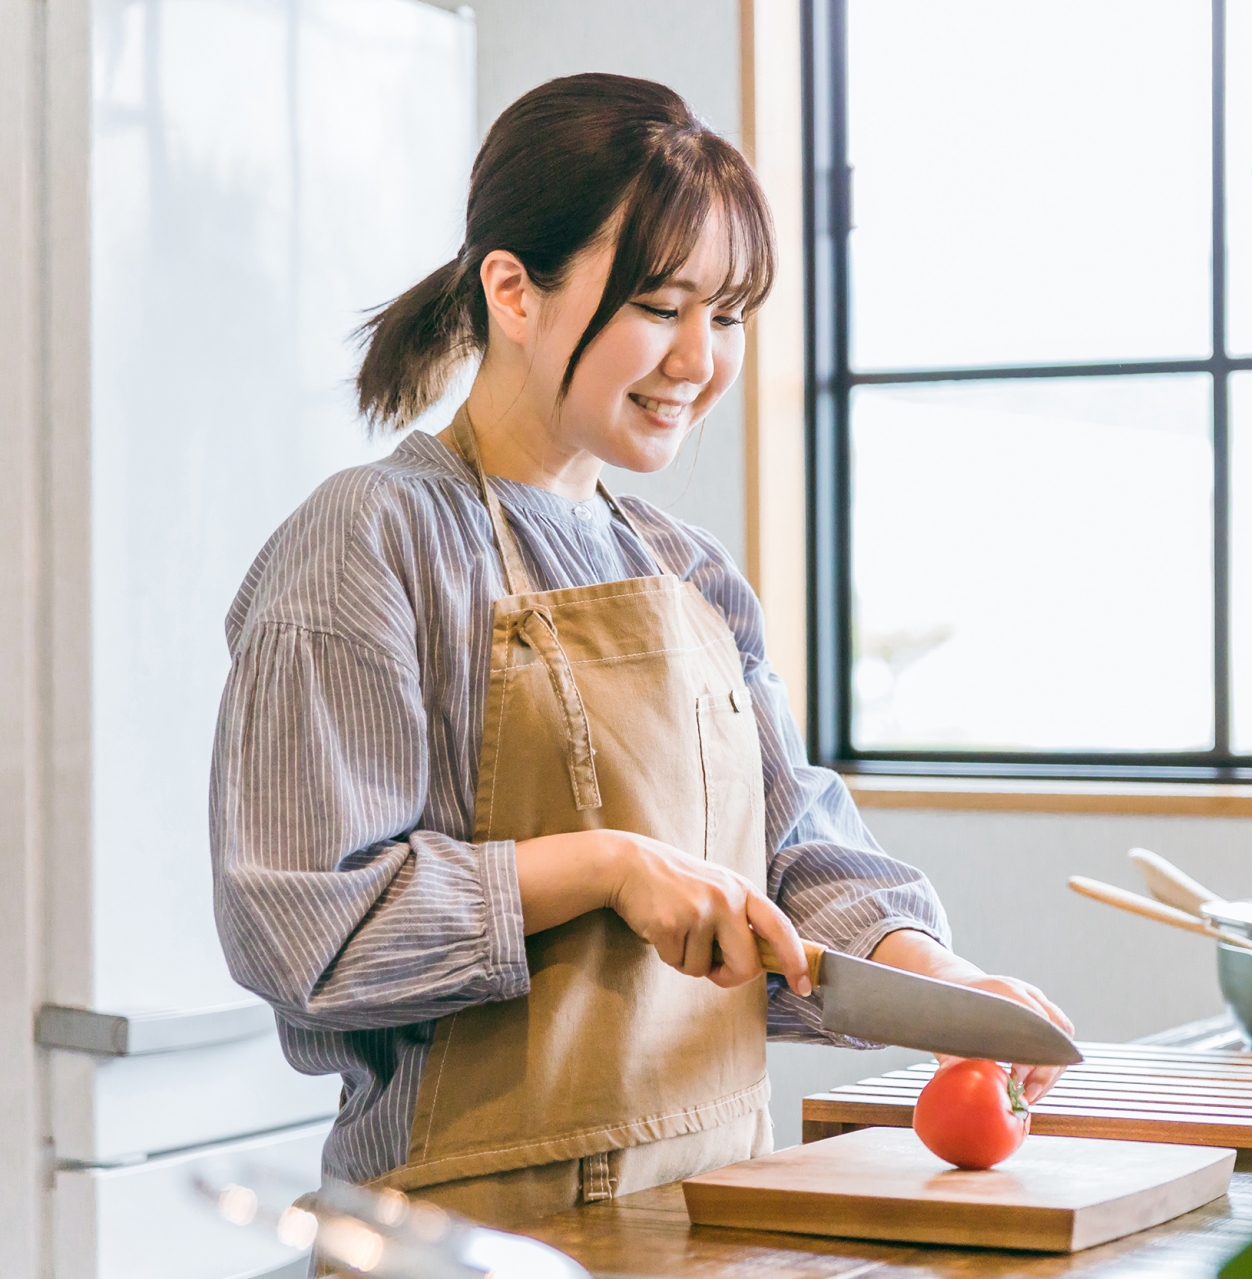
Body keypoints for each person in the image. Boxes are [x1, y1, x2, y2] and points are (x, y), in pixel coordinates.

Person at [209, 73, 1073, 1229]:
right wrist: (603, 867)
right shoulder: (368, 541)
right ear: (512, 291)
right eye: (663, 306)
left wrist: (938, 977)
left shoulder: (691, 571)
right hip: (470, 1235)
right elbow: (305, 929)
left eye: (729, 316)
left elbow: (795, 853)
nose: (699, 360)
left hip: (716, 1210)